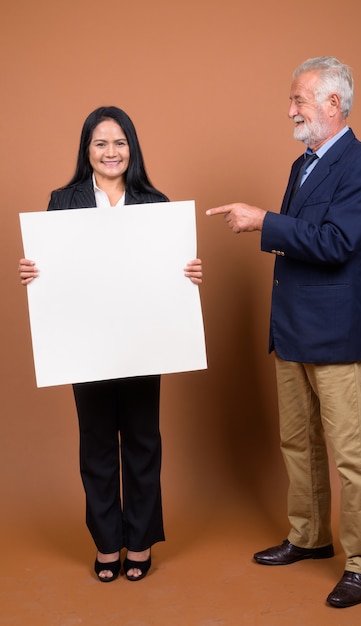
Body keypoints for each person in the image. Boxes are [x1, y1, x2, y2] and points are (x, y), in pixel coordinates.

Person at [206, 57, 361, 608]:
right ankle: (309, 537)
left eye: (299, 101)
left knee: (350, 452)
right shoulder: (301, 164)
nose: (291, 111)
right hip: (291, 329)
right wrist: (275, 227)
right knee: (298, 444)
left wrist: (264, 220)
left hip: (334, 335)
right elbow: (299, 242)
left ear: (333, 104)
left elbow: (335, 243)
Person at [19, 106, 203, 583]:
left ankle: (138, 541)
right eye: (100, 143)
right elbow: (56, 272)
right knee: (97, 444)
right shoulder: (63, 201)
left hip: (144, 340)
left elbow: (167, 273)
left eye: (119, 142)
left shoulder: (154, 201)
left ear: (132, 148)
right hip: (87, 343)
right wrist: (35, 273)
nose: (111, 152)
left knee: (142, 442)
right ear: (87, 151)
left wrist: (188, 274)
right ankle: (106, 543)